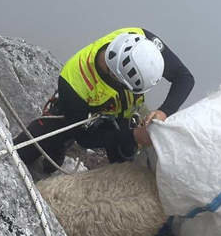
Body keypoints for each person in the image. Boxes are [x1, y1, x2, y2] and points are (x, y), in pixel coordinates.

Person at [15, 27, 194, 171]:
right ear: (116, 78)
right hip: (78, 108)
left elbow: (185, 78)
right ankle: (57, 146)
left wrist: (164, 111)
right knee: (26, 151)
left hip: (121, 114)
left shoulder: (141, 42)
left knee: (125, 159)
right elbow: (84, 137)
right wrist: (134, 135)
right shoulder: (75, 83)